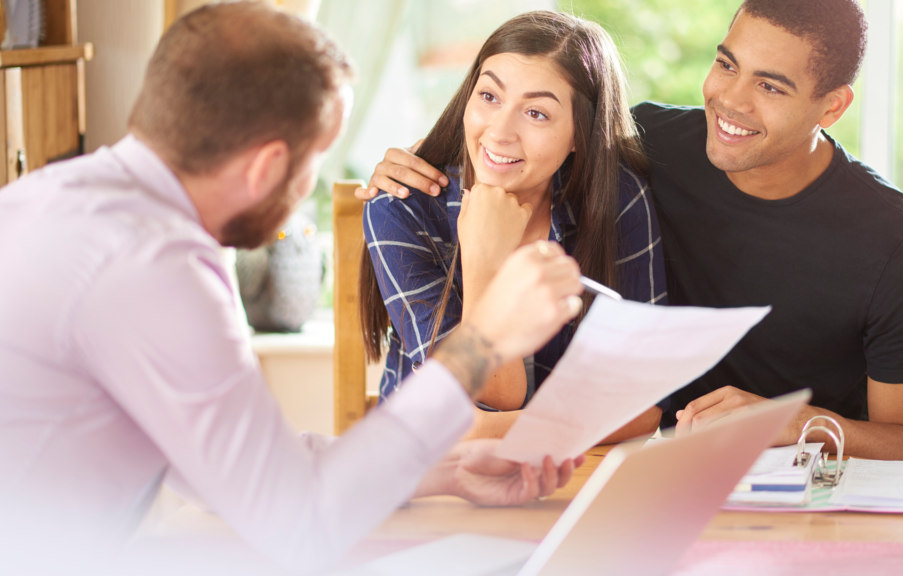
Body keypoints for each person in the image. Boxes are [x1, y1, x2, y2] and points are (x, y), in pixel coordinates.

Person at [0, 4, 585, 572]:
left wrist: (447, 470)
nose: (309, 184)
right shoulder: (156, 265)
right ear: (266, 166)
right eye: (315, 160)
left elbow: (232, 472)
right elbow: (298, 526)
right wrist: (480, 343)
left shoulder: (52, 198)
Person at [354, 0, 903, 461]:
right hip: (630, 470)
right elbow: (514, 139)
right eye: (726, 64)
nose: (731, 101)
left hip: (793, 488)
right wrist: (438, 164)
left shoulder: (899, 246)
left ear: (832, 107)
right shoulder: (647, 150)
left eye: (770, 86)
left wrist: (791, 422)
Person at [359, 11, 668, 441]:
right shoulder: (403, 208)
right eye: (489, 97)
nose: (499, 132)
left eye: (537, 113)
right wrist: (486, 258)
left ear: (581, 133)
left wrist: (489, 429)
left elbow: (644, 406)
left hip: (566, 472)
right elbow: (491, 394)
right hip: (427, 477)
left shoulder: (615, 200)